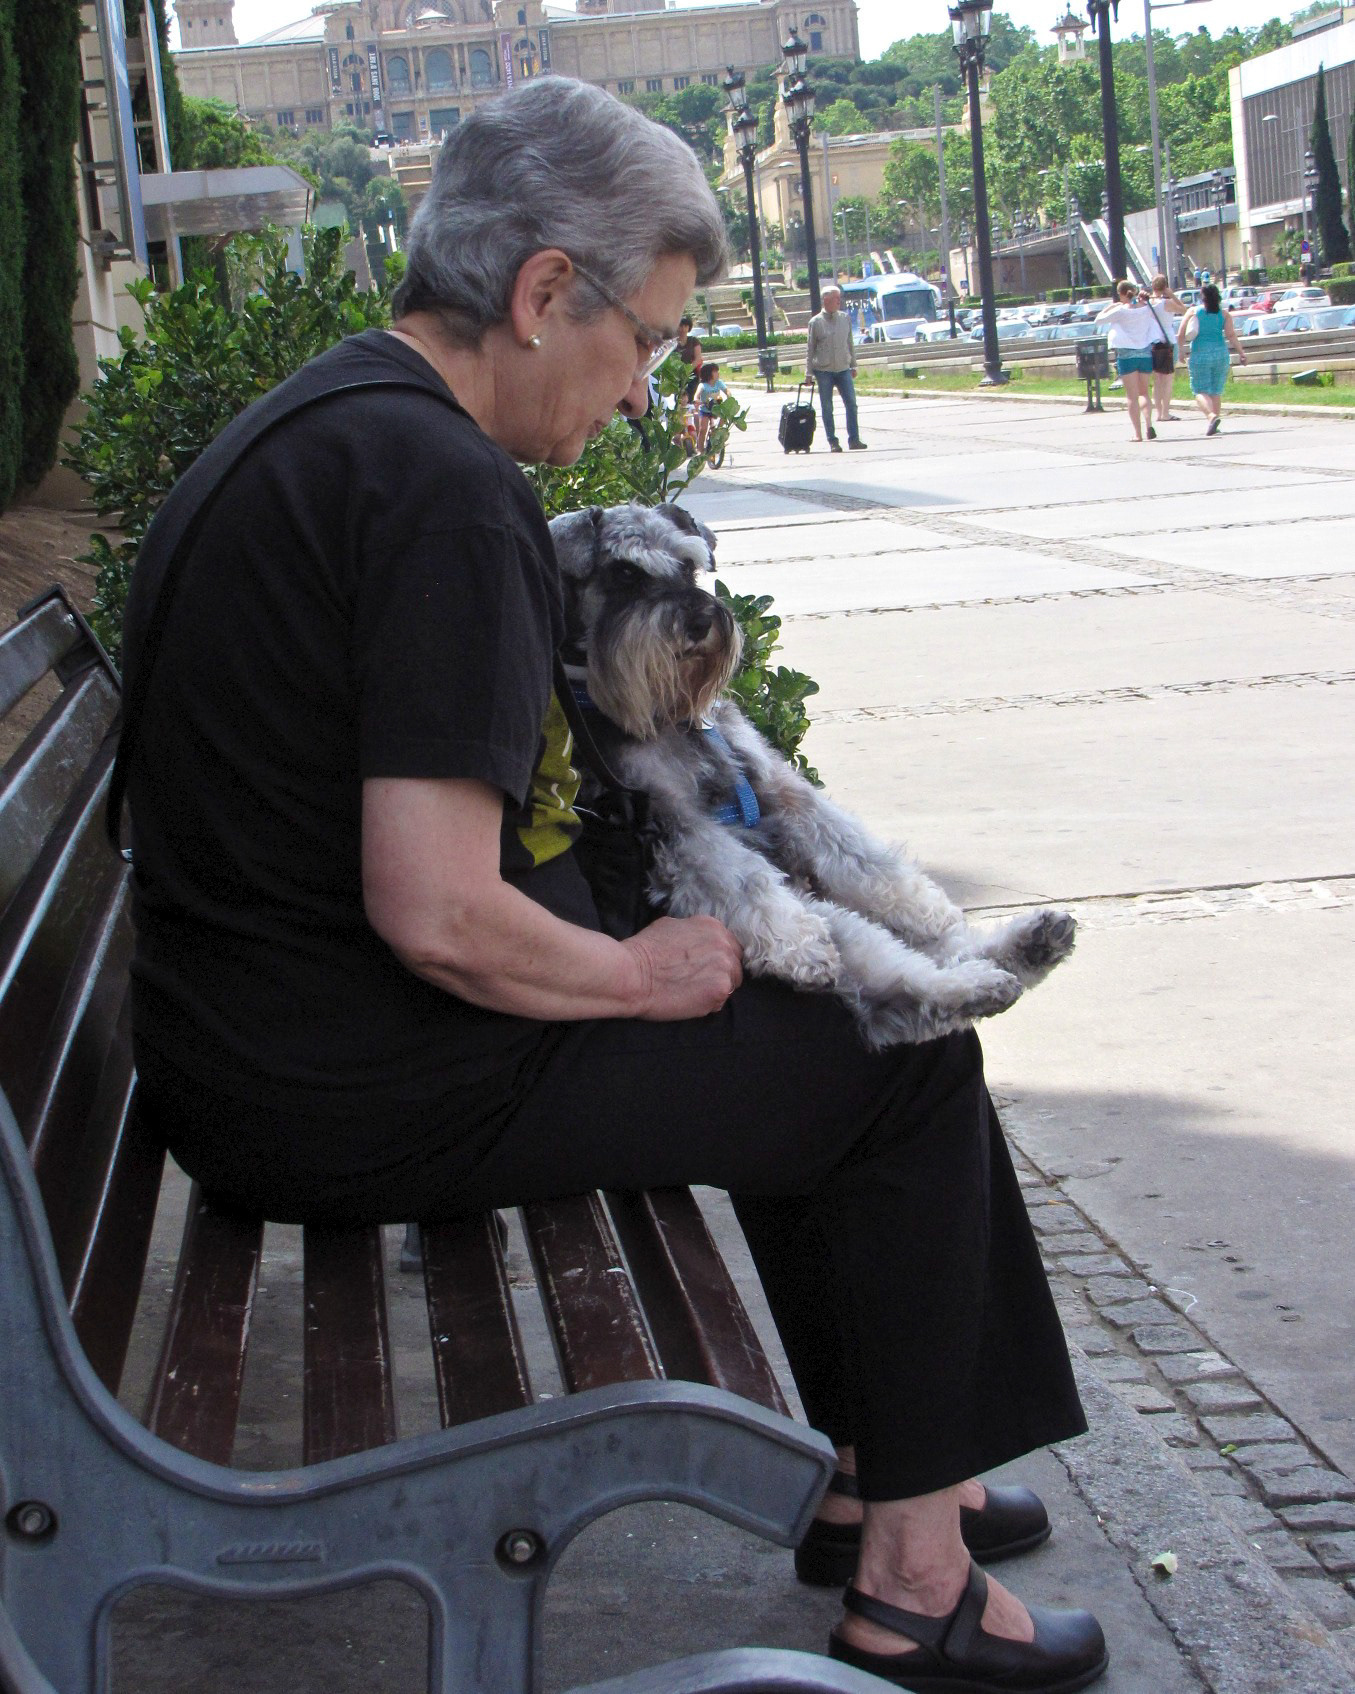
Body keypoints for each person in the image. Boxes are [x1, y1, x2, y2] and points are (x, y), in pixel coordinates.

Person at [120, 76, 1105, 1694]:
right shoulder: (444, 493)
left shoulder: (335, 422)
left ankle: (884, 1465)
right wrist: (640, 974)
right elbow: (437, 909)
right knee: (899, 1060)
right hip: (353, 1082)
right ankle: (912, 1580)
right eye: (643, 339)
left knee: (799, 1041)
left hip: (257, 1052)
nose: (643, 386)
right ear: (540, 293)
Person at [1096, 280, 1170, 443]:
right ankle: (1149, 423)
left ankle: (1138, 433)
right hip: (1145, 353)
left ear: (1121, 294)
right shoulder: (1146, 309)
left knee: (1132, 396)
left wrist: (1110, 306)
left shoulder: (1120, 311)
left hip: (1126, 354)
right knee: (1144, 393)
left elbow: (1098, 320)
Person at [1177, 281, 1246, 436]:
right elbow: (1231, 335)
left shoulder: (1194, 311)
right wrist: (1241, 353)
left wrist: (1181, 352)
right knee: (1216, 390)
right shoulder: (1224, 314)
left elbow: (1181, 334)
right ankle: (1215, 423)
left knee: (1199, 390)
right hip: (1221, 355)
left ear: (1202, 298)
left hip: (1200, 354)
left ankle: (1211, 416)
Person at [806, 285, 867, 452]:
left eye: (840, 298)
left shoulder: (845, 318)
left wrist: (853, 364)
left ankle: (854, 439)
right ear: (826, 300)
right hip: (823, 370)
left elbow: (850, 343)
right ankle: (832, 441)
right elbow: (810, 349)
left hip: (843, 368)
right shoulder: (815, 322)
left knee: (851, 404)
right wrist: (808, 373)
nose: (839, 301)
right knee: (827, 407)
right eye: (836, 298)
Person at [1147, 275, 1187, 423]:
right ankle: (1165, 413)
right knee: (1168, 380)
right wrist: (1172, 295)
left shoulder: (1147, 303)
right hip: (1168, 342)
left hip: (1153, 343)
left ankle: (1158, 413)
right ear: (1165, 287)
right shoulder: (1167, 303)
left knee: (1157, 380)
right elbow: (1185, 310)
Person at [693, 359, 728, 453]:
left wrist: (729, 396)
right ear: (708, 374)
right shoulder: (702, 385)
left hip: (716, 408)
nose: (718, 373)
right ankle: (700, 450)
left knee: (723, 417)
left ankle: (717, 434)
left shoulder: (719, 383)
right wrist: (697, 400)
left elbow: (727, 391)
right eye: (715, 371)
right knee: (703, 429)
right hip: (705, 409)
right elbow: (696, 396)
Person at [675, 312, 703, 402]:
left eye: (686, 326)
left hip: (691, 376)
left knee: (690, 400)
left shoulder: (693, 341)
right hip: (675, 376)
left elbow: (698, 358)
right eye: (681, 326)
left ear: (689, 328)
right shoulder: (672, 343)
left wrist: (687, 370)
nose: (683, 329)